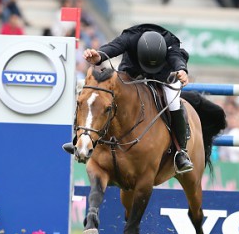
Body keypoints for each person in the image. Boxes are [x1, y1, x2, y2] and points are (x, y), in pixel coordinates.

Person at [62, 24, 194, 173]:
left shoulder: (170, 43)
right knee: (105, 97)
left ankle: (180, 151)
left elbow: (177, 58)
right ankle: (79, 140)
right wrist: (99, 55)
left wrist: (182, 70)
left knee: (174, 103)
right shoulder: (130, 38)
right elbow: (114, 47)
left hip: (163, 74)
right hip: (133, 70)